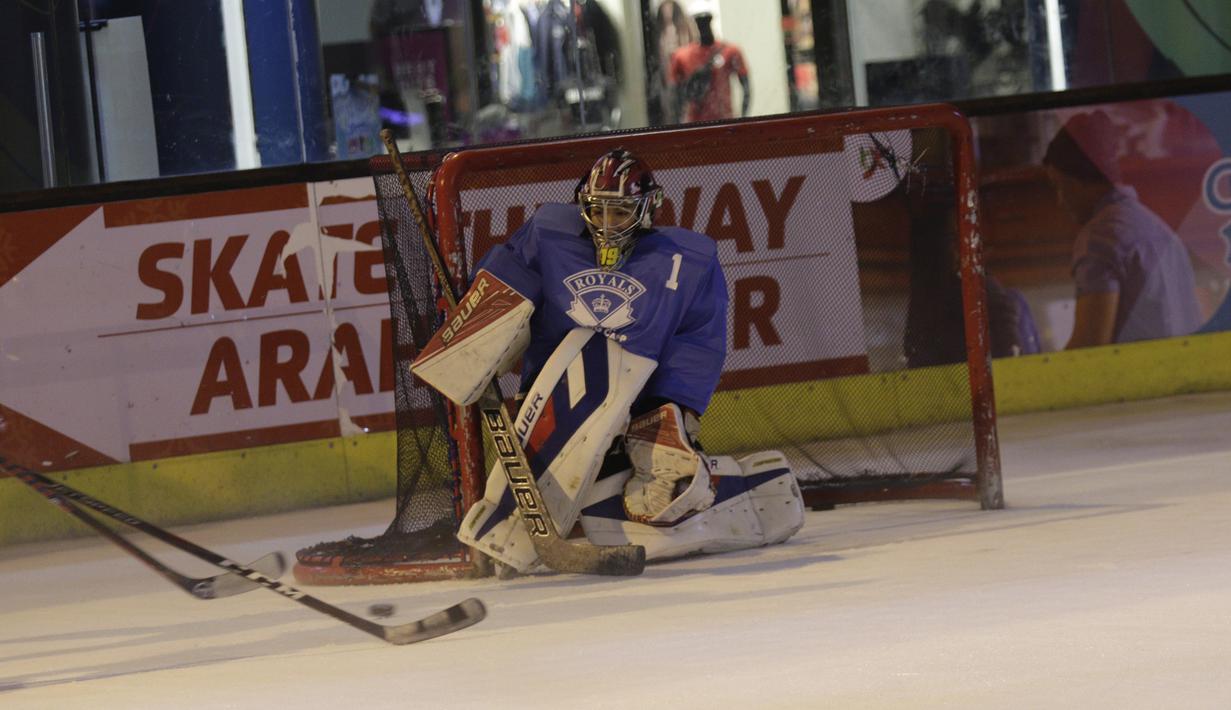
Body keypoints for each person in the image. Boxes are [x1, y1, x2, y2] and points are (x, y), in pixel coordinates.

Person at [409, 149, 804, 574]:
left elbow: (697, 344)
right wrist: (477, 334)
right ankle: (509, 529)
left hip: (639, 403)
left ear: (648, 207)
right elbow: (504, 284)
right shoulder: (548, 233)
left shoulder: (688, 260)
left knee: (659, 497)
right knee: (590, 361)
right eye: (598, 212)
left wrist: (673, 411)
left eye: (620, 213)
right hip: (556, 392)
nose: (607, 224)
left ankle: (747, 492)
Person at [1043, 111, 1202, 348]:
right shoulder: (1161, 230)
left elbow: (1089, 348)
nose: (1060, 201)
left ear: (1080, 182)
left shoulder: (1100, 237)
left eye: (1061, 187)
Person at [669, 4, 750, 122]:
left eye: (705, 19)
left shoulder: (730, 51)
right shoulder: (681, 56)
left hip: (725, 122)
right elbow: (675, 98)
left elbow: (746, 88)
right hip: (696, 124)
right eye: (699, 20)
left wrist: (743, 120)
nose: (703, 24)